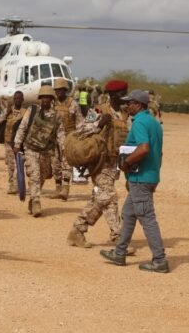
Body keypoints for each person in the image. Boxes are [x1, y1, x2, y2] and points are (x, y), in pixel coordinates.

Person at [100, 89, 169, 273]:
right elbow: (158, 153)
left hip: (140, 178)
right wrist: (155, 176)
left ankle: (160, 260)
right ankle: (119, 252)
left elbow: (144, 148)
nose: (126, 105)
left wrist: (126, 163)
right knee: (129, 213)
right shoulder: (154, 123)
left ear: (138, 105)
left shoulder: (139, 123)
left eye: (129, 103)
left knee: (147, 218)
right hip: (149, 176)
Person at [67, 80, 133, 251]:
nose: (125, 97)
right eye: (121, 94)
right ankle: (118, 237)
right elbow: (81, 129)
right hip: (99, 162)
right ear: (112, 95)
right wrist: (99, 124)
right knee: (108, 196)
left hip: (115, 163)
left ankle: (77, 230)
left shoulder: (126, 115)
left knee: (101, 199)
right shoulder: (97, 110)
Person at [13, 85, 66, 218]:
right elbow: (23, 127)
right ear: (40, 99)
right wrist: (17, 143)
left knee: (42, 177)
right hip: (30, 149)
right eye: (43, 98)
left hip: (46, 152)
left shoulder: (57, 117)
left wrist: (64, 149)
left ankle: (32, 199)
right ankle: (36, 201)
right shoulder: (32, 111)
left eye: (48, 98)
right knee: (35, 176)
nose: (45, 100)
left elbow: (60, 134)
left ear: (52, 99)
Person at [51, 78, 84, 200]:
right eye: (57, 90)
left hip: (68, 137)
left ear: (65, 90)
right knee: (55, 163)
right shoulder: (52, 103)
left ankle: (65, 188)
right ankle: (58, 188)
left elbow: (79, 121)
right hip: (53, 138)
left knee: (66, 162)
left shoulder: (72, 103)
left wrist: (78, 137)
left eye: (61, 90)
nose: (58, 92)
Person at [0, 90, 25, 194]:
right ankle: (12, 184)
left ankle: (16, 184)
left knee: (18, 164)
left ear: (22, 100)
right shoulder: (8, 110)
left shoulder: (25, 113)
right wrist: (5, 114)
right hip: (8, 141)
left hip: (18, 143)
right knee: (10, 165)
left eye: (19, 99)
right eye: (15, 98)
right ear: (13, 100)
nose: (17, 100)